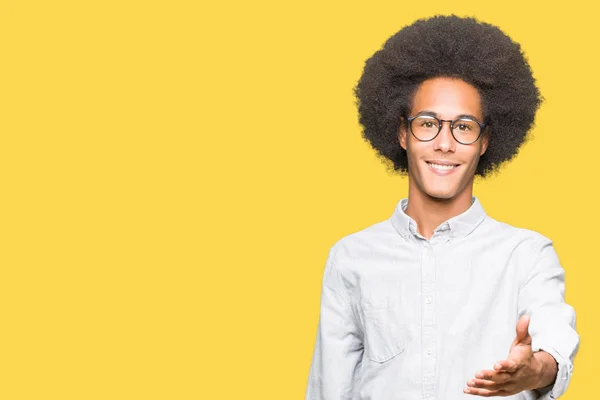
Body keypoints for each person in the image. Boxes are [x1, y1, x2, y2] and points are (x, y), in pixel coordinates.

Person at [304, 15, 579, 400]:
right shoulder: (351, 257)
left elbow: (553, 335)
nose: (445, 144)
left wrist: (535, 370)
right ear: (402, 132)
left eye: (464, 126)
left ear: (485, 142)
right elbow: (328, 388)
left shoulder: (527, 254)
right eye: (428, 123)